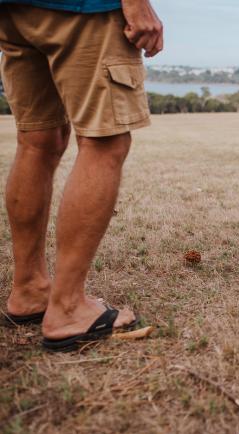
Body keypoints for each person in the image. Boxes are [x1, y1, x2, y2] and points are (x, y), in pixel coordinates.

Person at [0, 0, 163, 351]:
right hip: (83, 8)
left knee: (37, 141)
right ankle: (68, 308)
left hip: (14, 11)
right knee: (105, 141)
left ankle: (28, 289)